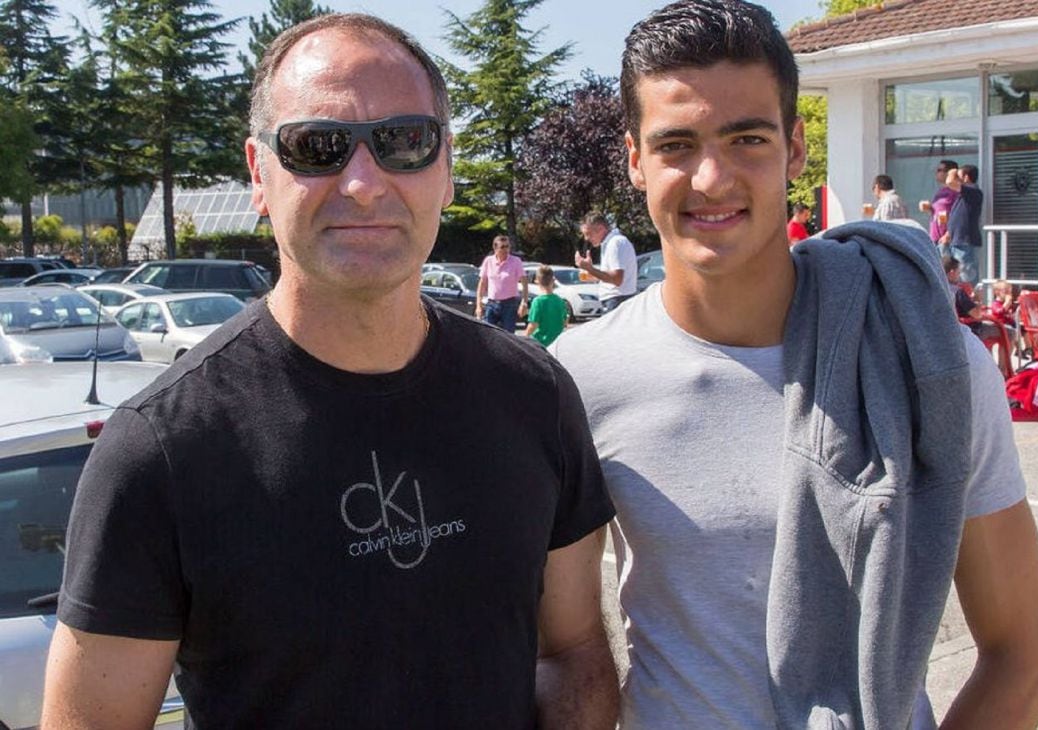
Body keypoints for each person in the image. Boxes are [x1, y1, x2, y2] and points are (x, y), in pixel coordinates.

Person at [41, 14, 618, 729]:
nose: (364, 182)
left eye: (405, 141)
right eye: (318, 146)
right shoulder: (158, 451)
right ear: (259, 175)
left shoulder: (534, 395)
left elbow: (574, 651)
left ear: (445, 168)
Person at [552, 1, 1038, 728]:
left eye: (746, 138)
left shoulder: (929, 361)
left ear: (795, 149)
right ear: (635, 160)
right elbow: (568, 653)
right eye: (676, 145)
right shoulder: (583, 374)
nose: (711, 177)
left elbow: (1021, 659)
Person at [575, 211, 638, 312]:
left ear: (601, 229)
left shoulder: (615, 243)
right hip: (616, 300)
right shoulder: (612, 242)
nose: (586, 239)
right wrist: (590, 273)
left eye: (588, 234)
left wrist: (590, 269)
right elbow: (614, 277)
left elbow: (617, 279)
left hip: (617, 300)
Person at [475, 233, 529, 332]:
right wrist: (478, 305)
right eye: (502, 247)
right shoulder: (488, 261)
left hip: (509, 303)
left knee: (508, 335)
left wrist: (524, 302)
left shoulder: (515, 261)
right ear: (495, 248)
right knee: (488, 333)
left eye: (508, 246)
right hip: (492, 303)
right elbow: (482, 283)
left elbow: (524, 282)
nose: (506, 250)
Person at [941, 164, 985, 284]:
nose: (957, 179)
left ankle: (969, 299)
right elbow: (959, 216)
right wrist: (948, 233)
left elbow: (950, 182)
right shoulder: (963, 196)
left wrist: (952, 171)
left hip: (966, 242)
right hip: (956, 240)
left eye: (959, 176)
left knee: (966, 276)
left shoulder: (973, 191)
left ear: (966, 177)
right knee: (954, 275)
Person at [526, 264, 568, 347]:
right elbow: (565, 322)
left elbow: (533, 325)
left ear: (537, 281)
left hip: (540, 343)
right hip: (556, 342)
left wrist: (525, 337)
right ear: (553, 280)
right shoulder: (560, 300)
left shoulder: (537, 301)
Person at [920, 159, 959, 244]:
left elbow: (959, 215)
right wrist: (929, 208)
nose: (936, 173)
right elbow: (939, 211)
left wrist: (948, 234)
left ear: (949, 173)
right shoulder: (941, 191)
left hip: (947, 240)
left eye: (939, 170)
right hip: (936, 237)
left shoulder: (955, 191)